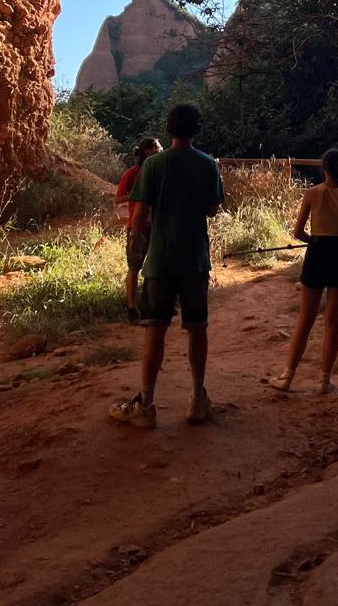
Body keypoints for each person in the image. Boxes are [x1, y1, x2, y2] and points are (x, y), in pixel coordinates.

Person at [109, 102, 224, 430]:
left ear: (169, 129)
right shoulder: (207, 164)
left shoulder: (153, 165)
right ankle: (198, 399)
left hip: (160, 258)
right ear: (196, 129)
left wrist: (141, 242)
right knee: (197, 327)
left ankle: (146, 404)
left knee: (155, 330)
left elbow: (139, 217)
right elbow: (213, 209)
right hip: (195, 258)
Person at [270, 149, 338, 396]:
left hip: (317, 254)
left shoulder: (312, 194)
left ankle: (287, 376)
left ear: (323, 169)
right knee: (333, 322)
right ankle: (325, 380)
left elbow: (298, 232)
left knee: (305, 319)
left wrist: (313, 239)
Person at [115, 136, 163, 322]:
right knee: (134, 267)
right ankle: (131, 308)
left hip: (157, 226)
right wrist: (137, 195)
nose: (161, 150)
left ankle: (150, 305)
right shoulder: (132, 173)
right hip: (137, 226)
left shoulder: (160, 172)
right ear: (148, 151)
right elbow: (117, 198)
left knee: (155, 267)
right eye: (158, 147)